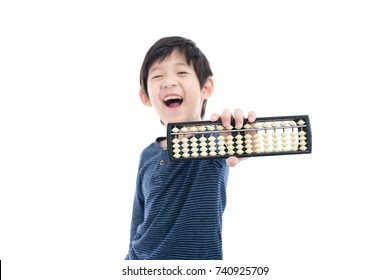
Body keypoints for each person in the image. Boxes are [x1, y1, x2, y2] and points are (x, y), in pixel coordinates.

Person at [125, 36, 256, 260]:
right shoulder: (147, 155)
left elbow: (232, 148)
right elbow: (138, 220)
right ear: (145, 96)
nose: (168, 82)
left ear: (206, 87)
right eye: (157, 76)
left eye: (181, 73)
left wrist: (239, 138)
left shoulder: (216, 142)